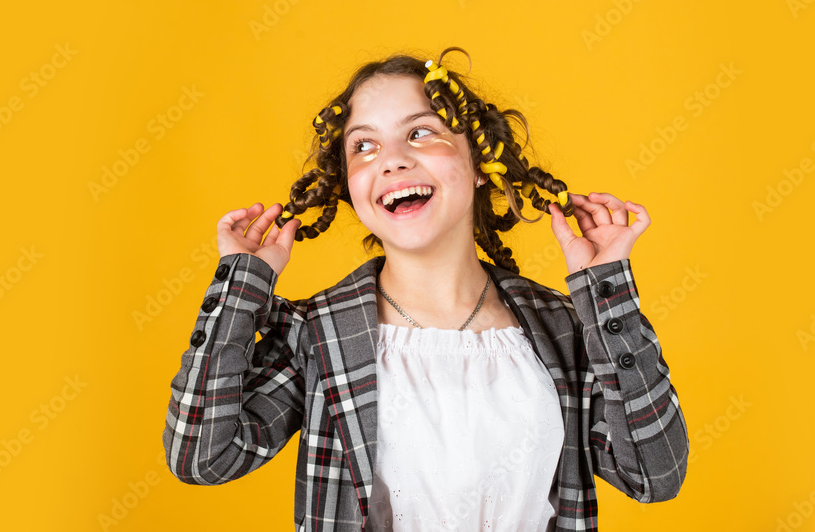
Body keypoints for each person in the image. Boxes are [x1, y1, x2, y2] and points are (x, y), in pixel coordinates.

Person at [162, 47, 689, 532]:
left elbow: (653, 474)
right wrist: (242, 284)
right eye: (363, 145)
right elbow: (202, 457)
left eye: (420, 133)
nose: (390, 159)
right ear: (349, 186)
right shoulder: (318, 334)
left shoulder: (562, 328)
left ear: (482, 164)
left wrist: (605, 290)